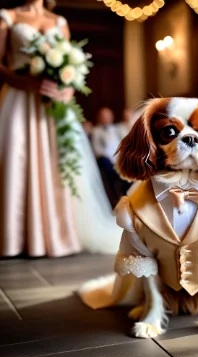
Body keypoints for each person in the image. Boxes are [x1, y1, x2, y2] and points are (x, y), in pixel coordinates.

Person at [0, 0, 122, 256]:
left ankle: (58, 234)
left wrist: (69, 85)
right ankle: (15, 237)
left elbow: (70, 63)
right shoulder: (8, 17)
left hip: (55, 103)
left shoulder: (60, 22)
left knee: (60, 163)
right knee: (17, 159)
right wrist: (26, 83)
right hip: (20, 100)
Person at [92, 107, 130, 206]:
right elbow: (96, 149)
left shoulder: (119, 128)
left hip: (120, 157)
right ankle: (115, 197)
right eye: (103, 116)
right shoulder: (96, 131)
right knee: (105, 163)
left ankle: (127, 195)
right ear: (99, 118)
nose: (105, 118)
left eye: (107, 116)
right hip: (106, 158)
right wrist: (108, 156)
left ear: (112, 117)